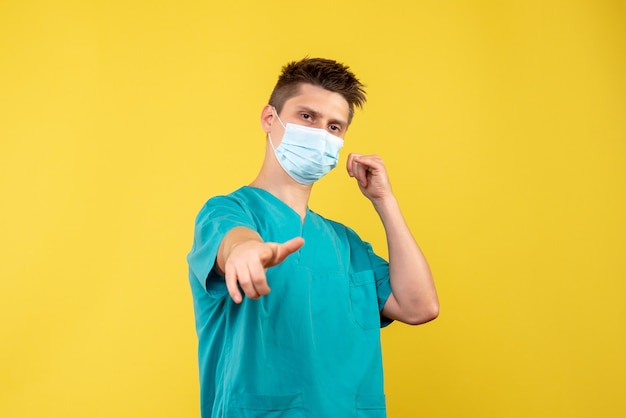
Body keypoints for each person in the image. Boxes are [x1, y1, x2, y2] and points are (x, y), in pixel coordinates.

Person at [187, 57, 439, 417]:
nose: (320, 133)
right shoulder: (229, 211)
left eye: (334, 126)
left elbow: (420, 307)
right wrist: (246, 252)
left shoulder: (346, 244)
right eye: (307, 116)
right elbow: (233, 241)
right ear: (269, 118)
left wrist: (385, 202)